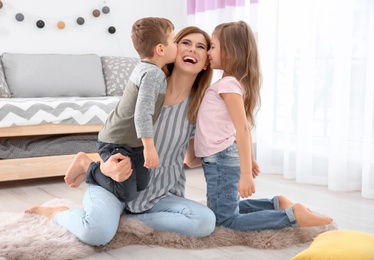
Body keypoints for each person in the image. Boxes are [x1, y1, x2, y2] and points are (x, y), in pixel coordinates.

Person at [25, 26, 217, 246]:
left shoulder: (200, 108)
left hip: (161, 194)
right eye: (185, 42)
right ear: (169, 49)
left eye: (200, 46)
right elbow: (113, 136)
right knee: (96, 234)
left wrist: (224, 145)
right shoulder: (148, 86)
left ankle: (126, 222)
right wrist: (105, 167)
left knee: (204, 221)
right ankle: (56, 213)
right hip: (114, 182)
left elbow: (191, 160)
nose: (192, 49)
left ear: (205, 63)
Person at [192, 20, 333, 231]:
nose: (209, 52)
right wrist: (250, 159)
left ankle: (292, 216)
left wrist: (246, 173)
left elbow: (241, 128)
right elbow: (240, 128)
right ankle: (276, 204)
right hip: (219, 158)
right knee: (223, 209)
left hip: (220, 158)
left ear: (230, 52)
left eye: (212, 46)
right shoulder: (228, 83)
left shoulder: (228, 85)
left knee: (225, 221)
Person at [65, 17, 177, 202]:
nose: (177, 45)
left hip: (133, 144)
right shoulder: (152, 74)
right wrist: (150, 147)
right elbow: (142, 113)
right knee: (126, 194)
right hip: (117, 141)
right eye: (174, 41)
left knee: (141, 184)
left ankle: (100, 169)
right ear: (160, 49)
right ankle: (87, 165)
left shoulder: (146, 68)